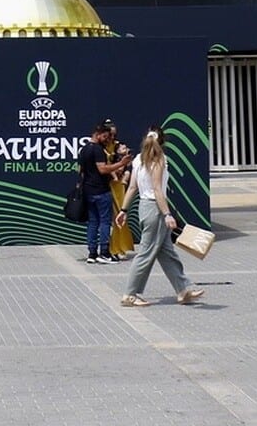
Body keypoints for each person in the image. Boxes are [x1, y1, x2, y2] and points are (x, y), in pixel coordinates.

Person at [111, 128, 204, 307]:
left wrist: (123, 210)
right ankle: (130, 294)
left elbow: (132, 187)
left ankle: (182, 290)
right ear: (162, 143)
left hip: (144, 207)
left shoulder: (138, 159)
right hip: (155, 208)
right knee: (146, 253)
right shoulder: (160, 160)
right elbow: (157, 189)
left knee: (166, 252)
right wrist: (167, 214)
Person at [76, 121, 129, 265]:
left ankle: (92, 253)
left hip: (88, 191)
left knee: (93, 222)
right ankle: (104, 253)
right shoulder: (98, 150)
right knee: (105, 222)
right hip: (101, 191)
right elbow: (102, 169)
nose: (107, 139)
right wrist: (121, 163)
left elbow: (80, 171)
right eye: (105, 136)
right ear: (97, 134)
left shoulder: (84, 149)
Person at [103, 122, 136, 261]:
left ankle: (120, 247)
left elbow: (127, 164)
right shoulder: (101, 147)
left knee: (120, 216)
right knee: (111, 218)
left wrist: (125, 172)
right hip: (106, 185)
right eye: (110, 134)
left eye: (114, 134)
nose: (112, 137)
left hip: (119, 186)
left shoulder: (118, 145)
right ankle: (112, 248)